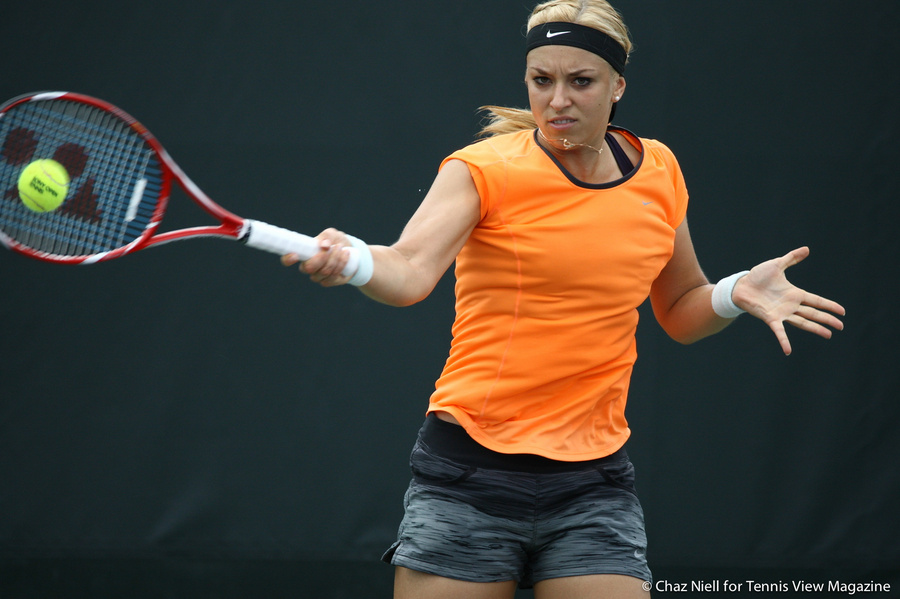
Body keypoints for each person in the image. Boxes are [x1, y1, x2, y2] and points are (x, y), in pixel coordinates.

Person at [282, 1, 846, 597]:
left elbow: (681, 308)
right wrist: (356, 261)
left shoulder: (659, 170)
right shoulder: (483, 169)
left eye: (581, 81)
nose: (557, 101)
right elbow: (409, 270)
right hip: (468, 473)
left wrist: (734, 292)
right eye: (541, 80)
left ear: (617, 85)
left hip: (593, 482)